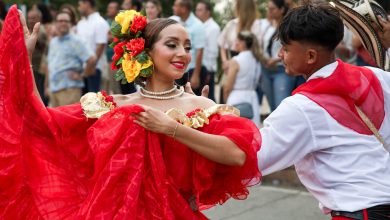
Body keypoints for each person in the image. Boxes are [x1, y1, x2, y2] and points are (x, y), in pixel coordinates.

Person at [0, 7, 261, 219]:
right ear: (145, 52)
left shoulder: (200, 108)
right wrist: (23, 59)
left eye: (188, 47)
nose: (183, 54)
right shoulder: (113, 105)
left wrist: (171, 128)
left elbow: (238, 155)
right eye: (172, 45)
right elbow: (41, 122)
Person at [256, 2, 390, 219]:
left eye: (286, 48)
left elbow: (253, 156)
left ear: (310, 56)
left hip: (357, 211)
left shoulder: (302, 107)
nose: (280, 54)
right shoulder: (376, 77)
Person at [47, 11, 96, 107]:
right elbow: (50, 64)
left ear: (71, 24)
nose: (63, 23)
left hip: (70, 89)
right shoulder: (53, 42)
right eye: (60, 21)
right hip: (54, 89)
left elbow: (92, 59)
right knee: (56, 121)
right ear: (55, 23)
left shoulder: (76, 41)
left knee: (68, 121)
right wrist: (47, 87)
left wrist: (83, 75)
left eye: (66, 21)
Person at [218, 0, 263, 103]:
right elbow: (222, 44)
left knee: (244, 91)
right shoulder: (231, 24)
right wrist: (225, 61)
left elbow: (258, 47)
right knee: (225, 89)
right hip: (232, 60)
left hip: (249, 61)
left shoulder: (257, 25)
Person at [223, 31, 261, 128]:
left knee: (235, 131)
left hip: (236, 97)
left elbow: (228, 87)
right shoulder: (257, 60)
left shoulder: (236, 60)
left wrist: (225, 101)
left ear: (243, 43)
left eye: (237, 40)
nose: (235, 42)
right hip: (252, 98)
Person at [171, 0, 208, 97]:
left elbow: (200, 51)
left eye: (176, 6)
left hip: (191, 70)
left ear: (183, 9)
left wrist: (196, 75)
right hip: (177, 68)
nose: (173, 7)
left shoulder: (198, 25)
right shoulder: (174, 21)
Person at [77, 0, 110, 93]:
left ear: (87, 3)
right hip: (81, 69)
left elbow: (100, 46)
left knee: (96, 102)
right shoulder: (80, 23)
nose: (78, 8)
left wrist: (91, 66)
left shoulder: (100, 22)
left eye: (80, 5)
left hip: (96, 69)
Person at [195, 0, 220, 101]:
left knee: (208, 100)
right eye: (196, 10)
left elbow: (213, 52)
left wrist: (209, 72)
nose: (197, 13)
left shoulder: (213, 28)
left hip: (207, 70)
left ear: (208, 12)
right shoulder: (199, 26)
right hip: (199, 67)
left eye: (200, 10)